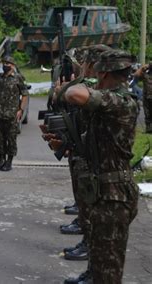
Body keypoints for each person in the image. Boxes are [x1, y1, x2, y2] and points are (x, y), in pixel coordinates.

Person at [61, 50, 139, 284]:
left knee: (108, 271)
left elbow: (75, 93)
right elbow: (97, 142)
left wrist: (76, 81)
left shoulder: (121, 101)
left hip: (114, 196)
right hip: (102, 191)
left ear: (103, 72)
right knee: (98, 255)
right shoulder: (109, 103)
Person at [0, 56, 29, 171]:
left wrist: (20, 110)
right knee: (0, 139)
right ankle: (1, 160)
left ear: (12, 65)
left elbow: (25, 95)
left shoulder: (18, 78)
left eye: (8, 63)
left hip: (12, 114)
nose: (5, 65)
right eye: (4, 63)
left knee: (11, 139)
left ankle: (9, 161)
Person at [133, 61, 152, 132]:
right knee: (147, 114)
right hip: (147, 97)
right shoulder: (145, 75)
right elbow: (136, 75)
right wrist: (142, 68)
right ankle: (149, 129)